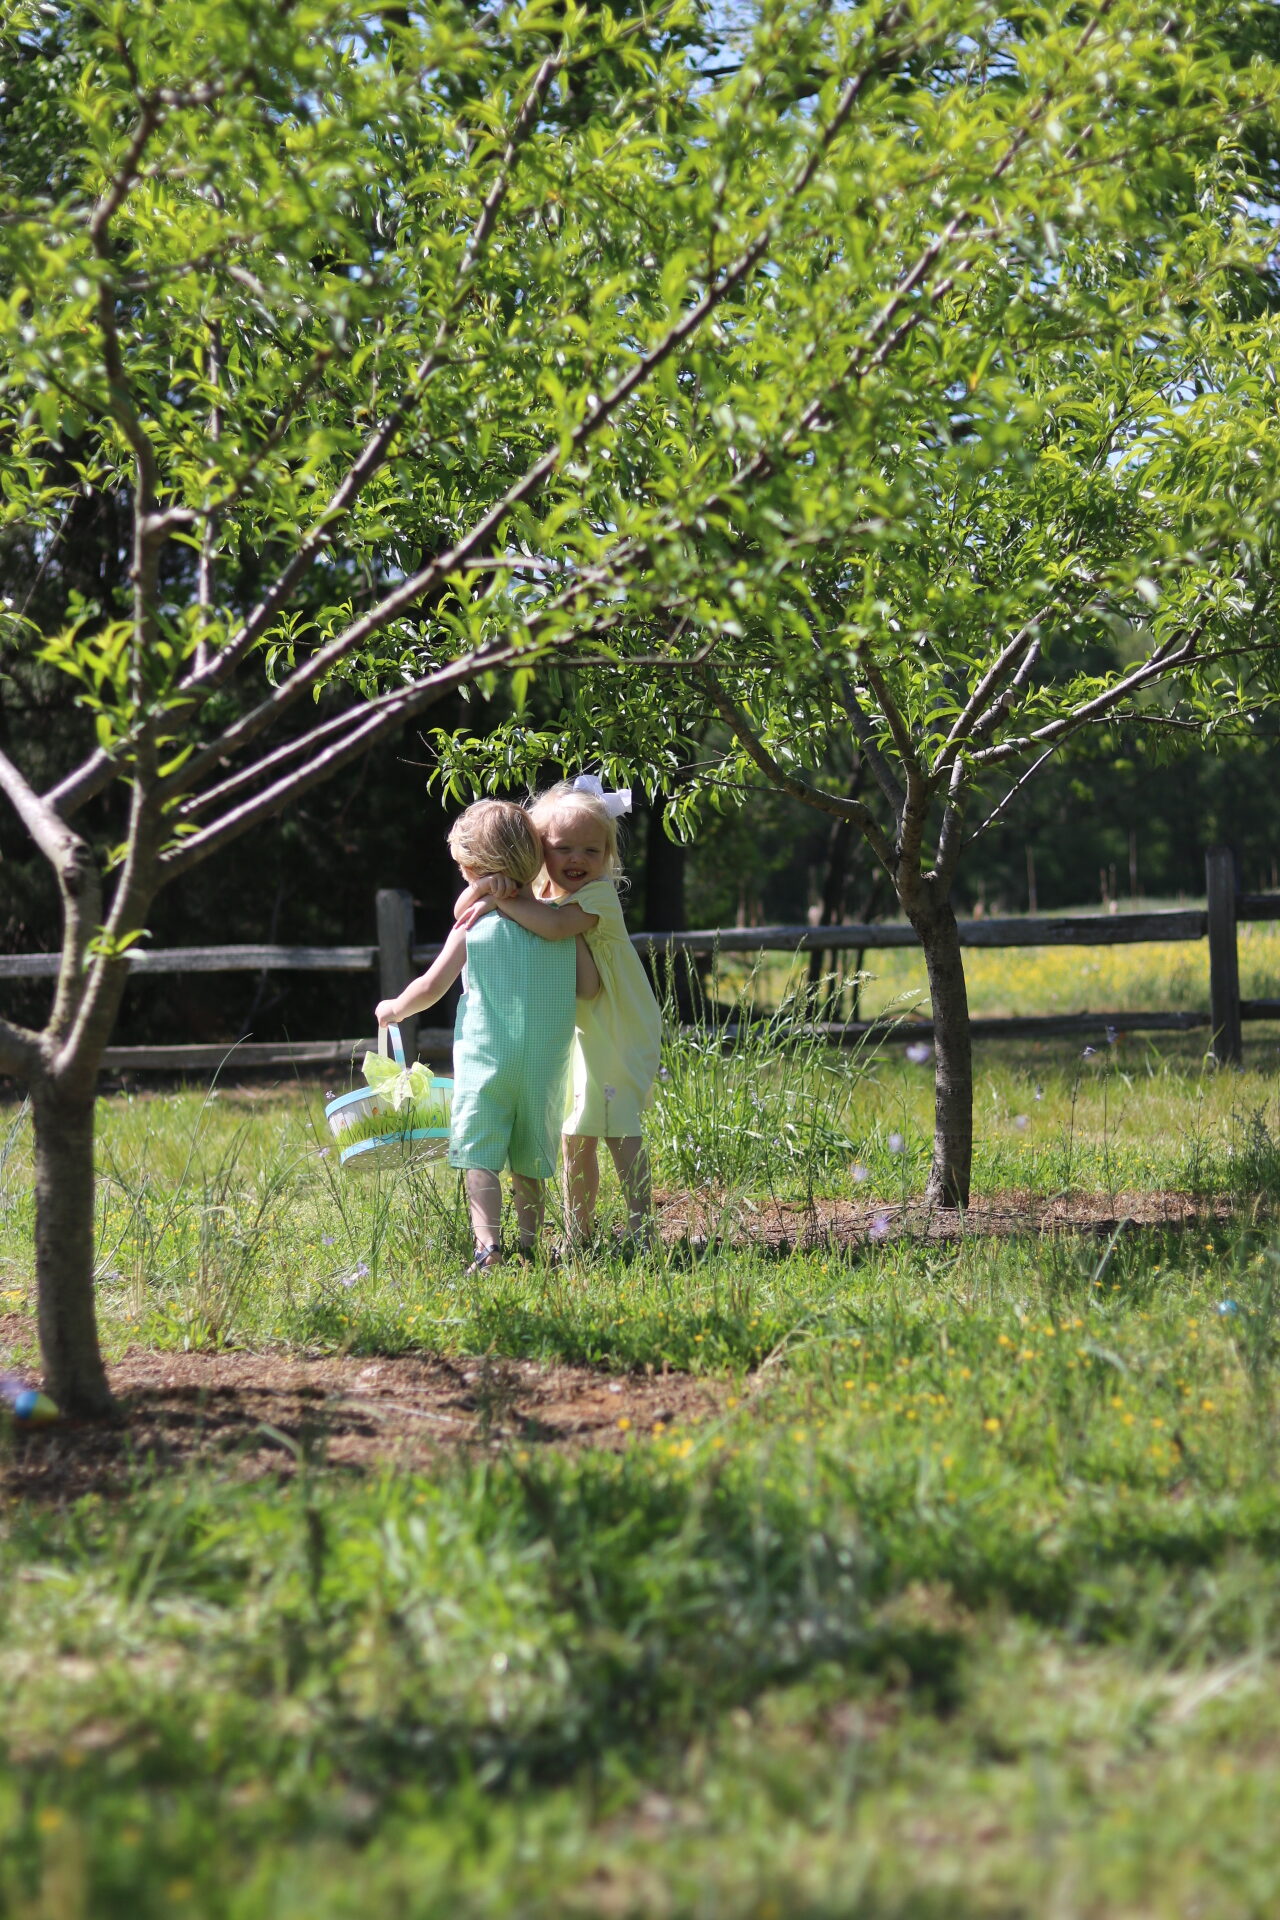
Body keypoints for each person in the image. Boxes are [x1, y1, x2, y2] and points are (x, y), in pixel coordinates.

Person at [375, 799, 599, 1272]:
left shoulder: (474, 925)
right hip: (545, 1065)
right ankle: (529, 1245)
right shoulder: (561, 928)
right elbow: (589, 986)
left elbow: (430, 988)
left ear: (474, 869)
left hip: (486, 1060)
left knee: (480, 1155)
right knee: (530, 1158)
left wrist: (393, 1007)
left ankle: (488, 1248)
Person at [454, 776, 662, 1251]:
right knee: (575, 1133)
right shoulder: (545, 898)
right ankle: (578, 1232)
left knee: (617, 1124)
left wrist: (503, 896)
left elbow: (551, 929)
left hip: (616, 1025)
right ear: (539, 851)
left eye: (591, 851)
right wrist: (488, 887)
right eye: (562, 847)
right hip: (580, 1029)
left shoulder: (595, 897)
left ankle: (640, 1226)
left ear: (608, 857)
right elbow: (466, 912)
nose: (576, 860)